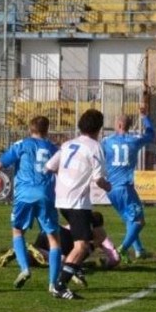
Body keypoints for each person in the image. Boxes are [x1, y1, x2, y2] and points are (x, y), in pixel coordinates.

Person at [0, 115, 61, 290]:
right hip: (46, 195)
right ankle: (53, 283)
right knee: (53, 239)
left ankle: (25, 269)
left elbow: (0, 163)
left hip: (24, 195)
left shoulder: (21, 145)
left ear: (30, 129)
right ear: (47, 130)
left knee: (18, 232)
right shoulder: (54, 149)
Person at [44, 108, 111, 299]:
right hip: (77, 201)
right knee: (81, 246)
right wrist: (107, 186)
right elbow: (98, 179)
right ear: (99, 128)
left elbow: (49, 167)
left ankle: (72, 268)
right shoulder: (95, 147)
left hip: (62, 199)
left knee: (94, 236)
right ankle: (60, 284)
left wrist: (67, 177)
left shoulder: (68, 144)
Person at [102, 104, 156, 263]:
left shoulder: (106, 141)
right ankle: (122, 249)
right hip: (125, 188)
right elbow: (151, 134)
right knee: (139, 221)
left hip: (110, 188)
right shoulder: (134, 140)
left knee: (129, 220)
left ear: (119, 125)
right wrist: (144, 117)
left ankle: (139, 250)